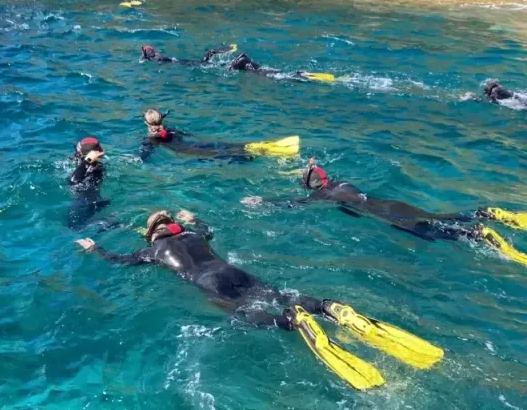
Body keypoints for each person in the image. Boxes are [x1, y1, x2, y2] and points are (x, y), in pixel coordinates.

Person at [75, 209, 444, 389]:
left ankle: (291, 322)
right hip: (233, 271)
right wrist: (195, 219)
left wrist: (96, 249)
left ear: (151, 235)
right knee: (280, 294)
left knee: (240, 313)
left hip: (210, 284)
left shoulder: (154, 252)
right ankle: (327, 306)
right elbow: (209, 229)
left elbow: (121, 262)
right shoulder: (194, 237)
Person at [242, 159, 527, 265]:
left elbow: (294, 203)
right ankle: (483, 214)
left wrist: (262, 200)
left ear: (311, 186)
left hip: (387, 215)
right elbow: (317, 178)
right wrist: (311, 167)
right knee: (437, 215)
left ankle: (474, 234)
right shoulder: (341, 183)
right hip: (390, 203)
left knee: (427, 231)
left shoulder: (323, 195)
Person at [139, 109, 299, 162]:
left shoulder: (151, 139)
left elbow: (145, 154)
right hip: (197, 144)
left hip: (190, 151)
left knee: (224, 156)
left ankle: (266, 152)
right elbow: (186, 134)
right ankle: (260, 145)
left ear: (147, 123)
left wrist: (141, 159)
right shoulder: (170, 129)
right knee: (227, 146)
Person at [140, 45, 335, 82]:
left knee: (270, 75)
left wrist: (146, 58)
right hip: (203, 64)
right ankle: (301, 73)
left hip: (205, 66)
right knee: (265, 71)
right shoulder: (164, 58)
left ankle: (240, 61)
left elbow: (162, 60)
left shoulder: (163, 60)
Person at [67, 137, 111, 229]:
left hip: (83, 204)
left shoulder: (94, 168)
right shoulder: (99, 167)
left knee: (74, 228)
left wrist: (86, 161)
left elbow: (73, 182)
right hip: (96, 202)